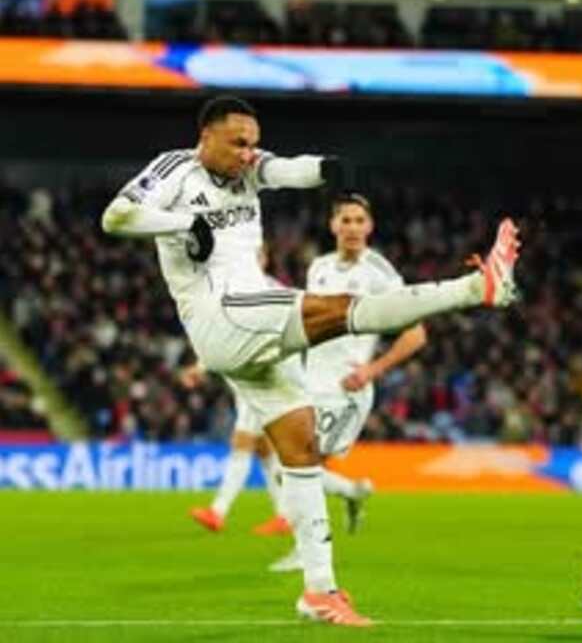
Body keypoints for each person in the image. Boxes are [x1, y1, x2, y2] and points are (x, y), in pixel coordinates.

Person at [101, 95, 519, 627]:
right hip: (221, 314)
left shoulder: (250, 170)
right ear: (205, 136)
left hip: (249, 319)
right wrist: (181, 224)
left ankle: (319, 593)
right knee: (344, 312)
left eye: (253, 142)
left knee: (300, 449)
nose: (249, 153)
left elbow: (285, 169)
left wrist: (326, 170)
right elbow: (116, 216)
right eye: (238, 143)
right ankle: (476, 287)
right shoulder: (175, 170)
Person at [268, 192, 427, 573]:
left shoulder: (381, 274)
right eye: (346, 220)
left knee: (293, 469)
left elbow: (416, 333)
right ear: (333, 225)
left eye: (360, 221)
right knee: (287, 468)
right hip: (309, 382)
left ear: (370, 227)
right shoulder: (318, 267)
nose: (353, 227)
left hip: (345, 389)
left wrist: (372, 370)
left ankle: (311, 552)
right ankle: (351, 494)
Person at [187, 245, 290, 536]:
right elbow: (218, 335)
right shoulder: (227, 292)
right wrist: (201, 366)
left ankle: (217, 511)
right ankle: (285, 514)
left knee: (242, 442)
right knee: (263, 447)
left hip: (261, 378)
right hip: (245, 379)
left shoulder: (273, 291)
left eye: (257, 256)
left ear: (265, 259)